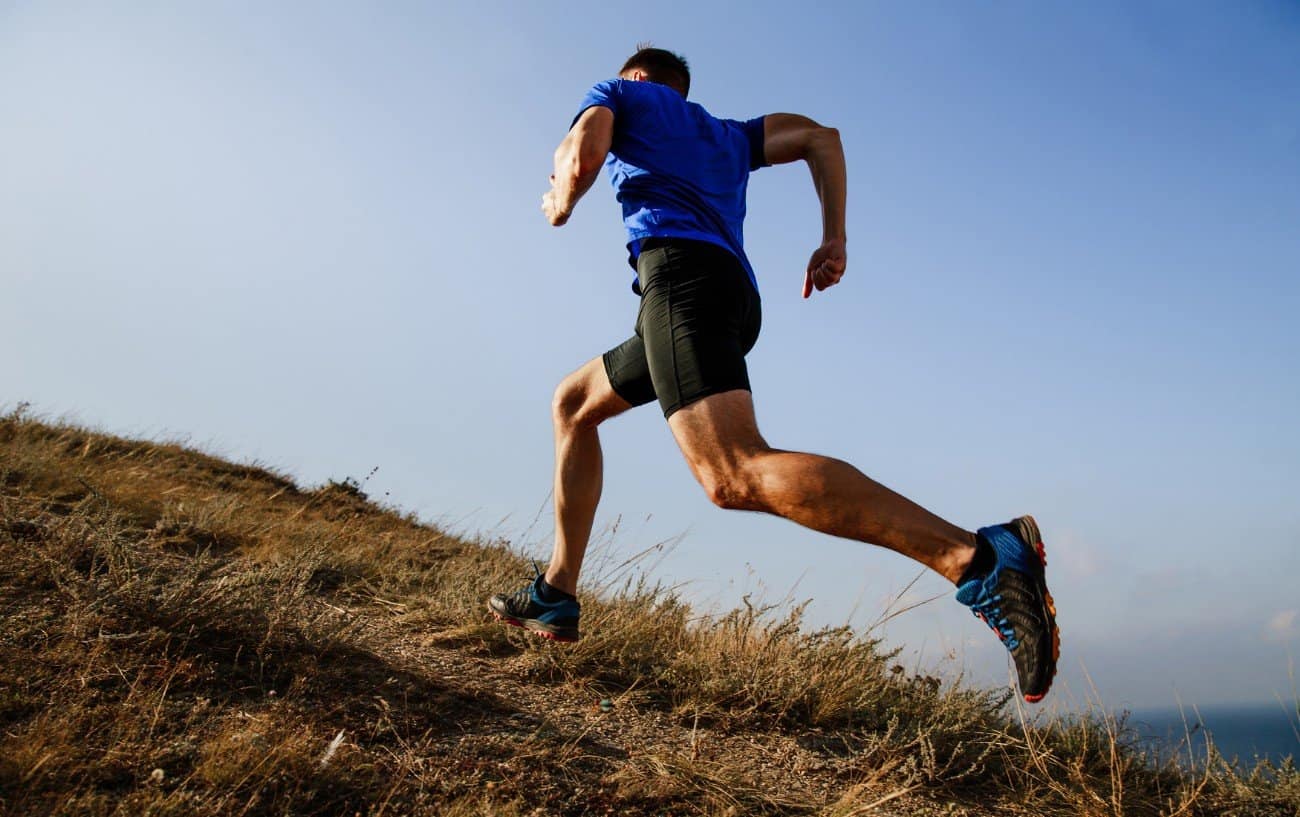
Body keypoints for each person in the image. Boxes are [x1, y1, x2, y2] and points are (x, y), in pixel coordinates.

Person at [489, 47, 1059, 702]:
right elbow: (823, 138)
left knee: (731, 471)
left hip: (681, 286)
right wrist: (834, 236)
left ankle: (980, 559)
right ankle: (558, 592)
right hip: (725, 297)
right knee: (574, 402)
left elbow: (581, 152)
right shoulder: (730, 136)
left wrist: (562, 195)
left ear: (638, 77)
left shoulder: (621, 93)